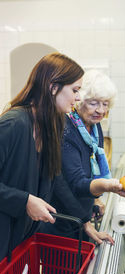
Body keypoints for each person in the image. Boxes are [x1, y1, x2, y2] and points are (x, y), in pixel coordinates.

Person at [0, 52, 84, 261]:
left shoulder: (51, 125)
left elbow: (54, 178)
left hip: (21, 240)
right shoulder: (14, 124)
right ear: (53, 86)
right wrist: (25, 201)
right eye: (75, 90)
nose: (78, 97)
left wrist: (85, 222)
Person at [41, 69, 125, 244]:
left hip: (80, 215)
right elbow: (72, 183)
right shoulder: (66, 130)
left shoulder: (94, 128)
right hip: (61, 221)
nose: (100, 110)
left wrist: (95, 199)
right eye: (94, 103)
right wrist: (108, 188)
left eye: (105, 104)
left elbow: (90, 168)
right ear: (79, 100)